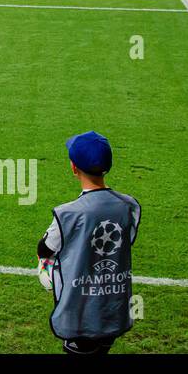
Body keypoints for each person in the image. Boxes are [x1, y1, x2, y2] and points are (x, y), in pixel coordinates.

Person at [37, 131, 141, 356]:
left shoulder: (68, 214)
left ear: (74, 168)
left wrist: (47, 266)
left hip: (81, 315)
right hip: (114, 309)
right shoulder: (128, 206)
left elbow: (44, 249)